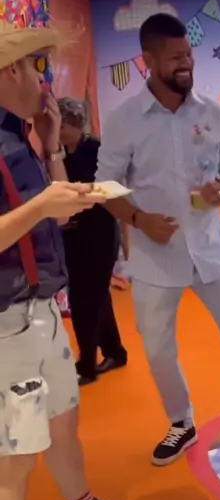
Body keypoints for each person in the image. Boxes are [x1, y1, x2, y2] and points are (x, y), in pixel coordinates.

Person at [0, 21, 147, 500]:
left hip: (41, 311)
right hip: (6, 323)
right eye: (38, 67)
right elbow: (30, 217)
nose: (46, 80)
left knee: (63, 422)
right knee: (15, 457)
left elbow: (48, 222)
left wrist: (52, 148)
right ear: (10, 71)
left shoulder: (21, 136)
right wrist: (42, 204)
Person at [96, 13, 220, 474]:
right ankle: (181, 422)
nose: (186, 63)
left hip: (211, 252)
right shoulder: (125, 121)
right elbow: (104, 186)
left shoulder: (213, 114)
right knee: (158, 350)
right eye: (175, 57)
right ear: (147, 61)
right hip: (155, 259)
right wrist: (139, 219)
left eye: (189, 54)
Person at [59, 97, 127, 385]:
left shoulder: (97, 150)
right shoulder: (60, 155)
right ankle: (115, 351)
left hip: (100, 234)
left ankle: (87, 363)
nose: (59, 132)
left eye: (62, 126)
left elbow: (111, 194)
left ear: (76, 124)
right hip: (72, 235)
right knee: (94, 296)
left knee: (86, 300)